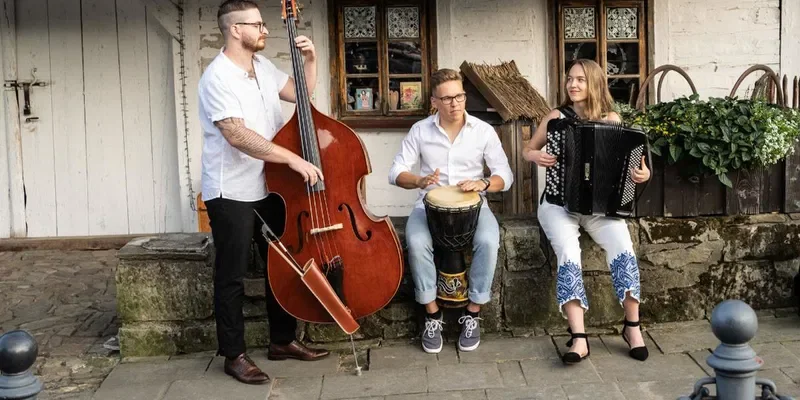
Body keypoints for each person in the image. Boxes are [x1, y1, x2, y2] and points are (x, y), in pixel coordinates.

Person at [198, 0, 329, 385]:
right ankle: (234, 355)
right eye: (256, 24)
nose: (265, 30)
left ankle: (282, 341)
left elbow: (301, 94)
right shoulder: (217, 77)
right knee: (232, 275)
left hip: (269, 187)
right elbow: (237, 134)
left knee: (281, 265)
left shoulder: (264, 67)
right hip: (231, 191)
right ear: (235, 29)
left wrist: (310, 60)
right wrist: (292, 158)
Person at [522, 59, 651, 364]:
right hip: (559, 203)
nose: (573, 84)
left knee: (623, 249)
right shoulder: (557, 117)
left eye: (580, 79)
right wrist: (535, 156)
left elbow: (631, 166)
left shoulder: (612, 119)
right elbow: (527, 148)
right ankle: (579, 338)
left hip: (601, 207)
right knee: (569, 253)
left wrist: (642, 174)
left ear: (594, 83)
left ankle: (632, 327)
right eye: (570, 79)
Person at [388, 68, 513, 354]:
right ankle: (432, 315)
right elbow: (395, 172)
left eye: (459, 96)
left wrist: (483, 182)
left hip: (474, 205)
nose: (455, 103)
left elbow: (505, 175)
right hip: (428, 206)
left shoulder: (483, 130)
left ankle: (473, 312)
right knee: (417, 242)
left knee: (488, 241)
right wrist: (418, 180)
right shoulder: (420, 131)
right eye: (446, 98)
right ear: (434, 102)